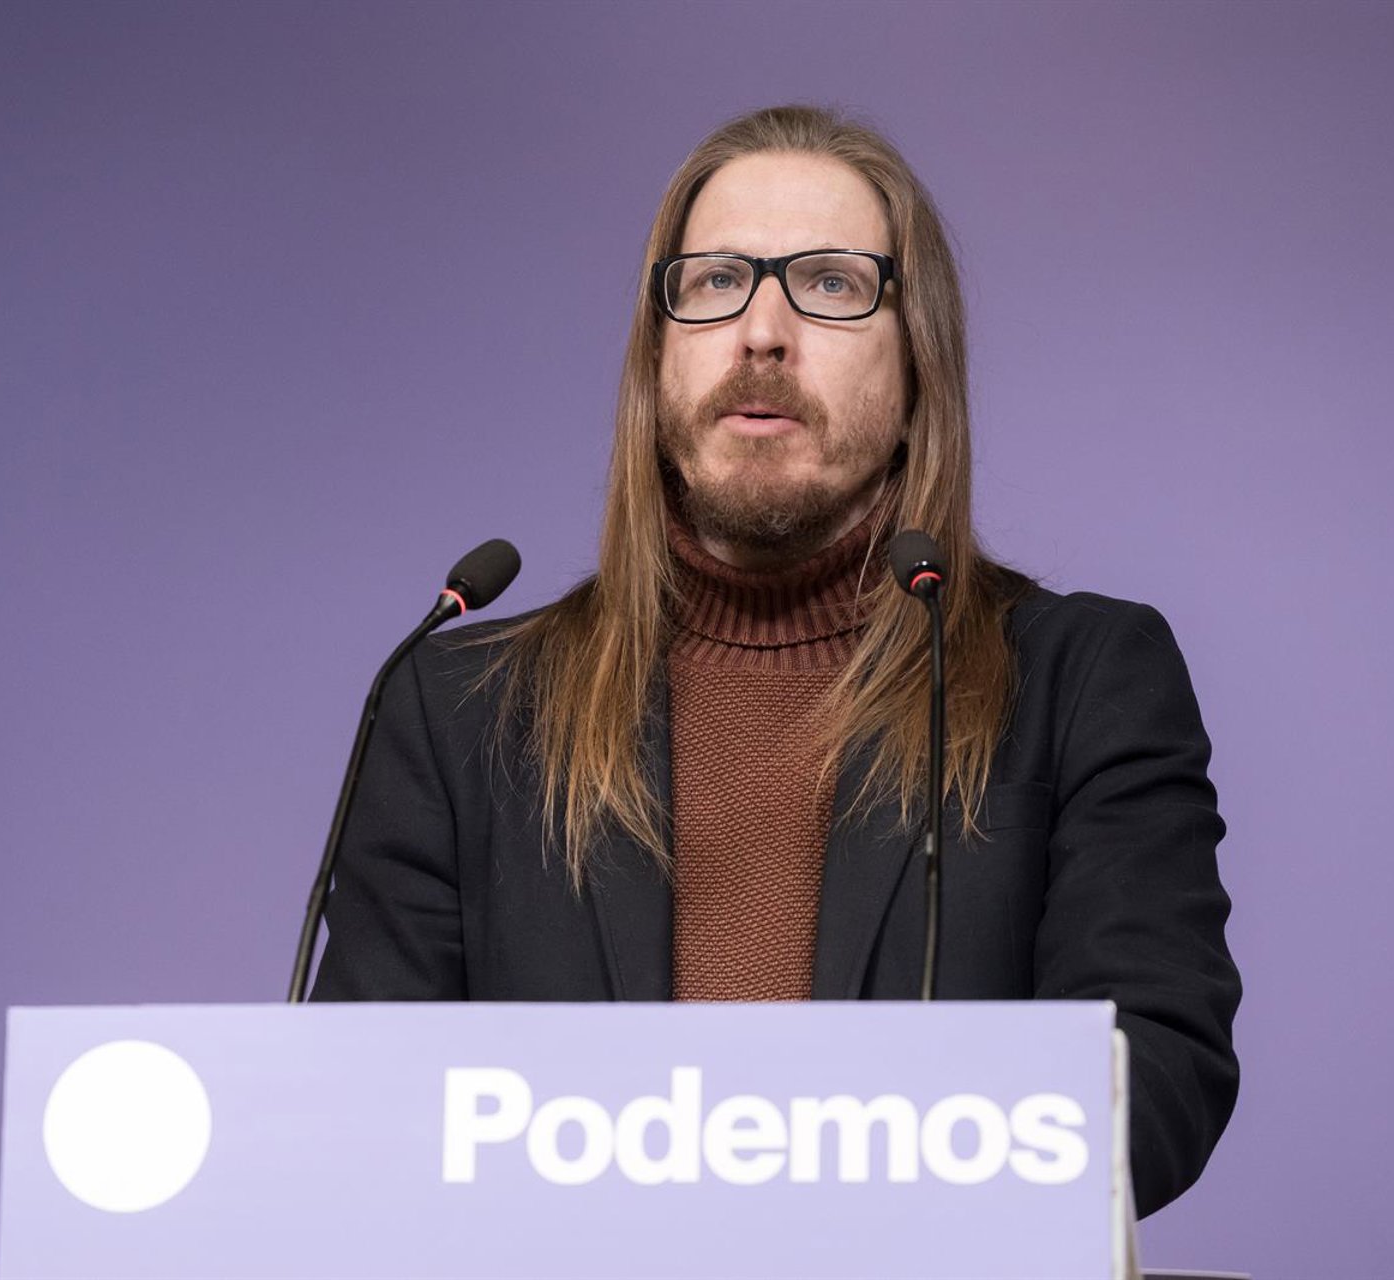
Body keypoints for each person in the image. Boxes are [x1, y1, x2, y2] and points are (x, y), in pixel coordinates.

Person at [312, 104, 1240, 1216]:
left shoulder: (1084, 682)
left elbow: (1154, 1082)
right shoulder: (454, 710)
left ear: (919, 370)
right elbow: (359, 1119)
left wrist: (807, 1195)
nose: (761, 331)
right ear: (656, 359)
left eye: (831, 284)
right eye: (715, 281)